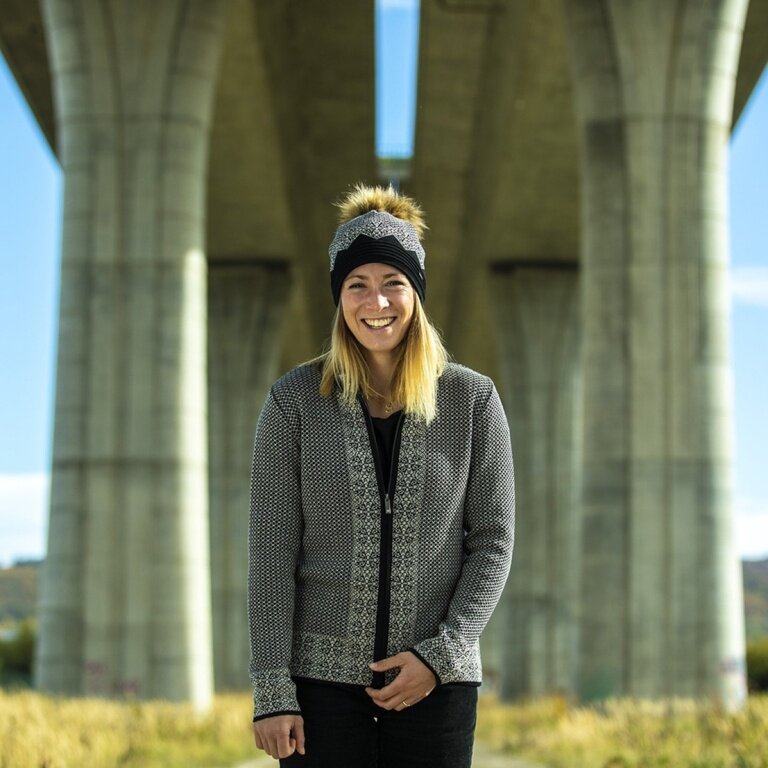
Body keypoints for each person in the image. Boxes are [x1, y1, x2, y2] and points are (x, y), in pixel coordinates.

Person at [248, 184, 515, 767]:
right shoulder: (294, 401)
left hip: (438, 688)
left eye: (393, 282)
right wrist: (272, 691)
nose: (377, 301)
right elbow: (271, 554)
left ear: (415, 292)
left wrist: (441, 655)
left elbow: (492, 544)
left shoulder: (472, 400)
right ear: (339, 298)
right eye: (357, 285)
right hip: (319, 694)